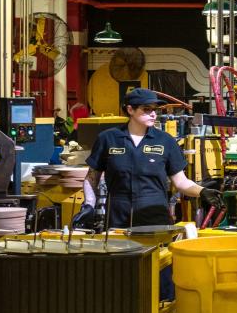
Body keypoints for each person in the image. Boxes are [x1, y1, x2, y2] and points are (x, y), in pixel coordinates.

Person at [73, 87, 222, 229]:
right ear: (130, 109)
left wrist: (202, 191)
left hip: (154, 217)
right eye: (146, 109)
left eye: (154, 110)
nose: (153, 114)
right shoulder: (108, 139)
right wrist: (89, 205)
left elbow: (181, 182)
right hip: (118, 218)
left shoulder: (165, 141)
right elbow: (92, 177)